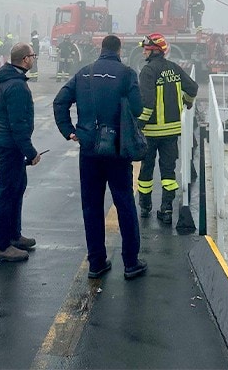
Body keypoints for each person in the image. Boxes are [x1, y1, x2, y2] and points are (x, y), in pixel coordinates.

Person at [53, 35, 147, 280]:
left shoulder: (84, 73)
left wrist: (69, 130)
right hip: (117, 149)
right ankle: (130, 263)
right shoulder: (127, 73)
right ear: (119, 50)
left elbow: (60, 102)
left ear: (100, 49)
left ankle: (96, 263)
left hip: (89, 149)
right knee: (125, 204)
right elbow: (138, 108)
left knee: (92, 206)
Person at [136, 33, 199, 224]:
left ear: (154, 50)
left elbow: (147, 104)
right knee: (168, 172)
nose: (143, 51)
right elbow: (193, 88)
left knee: (146, 171)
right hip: (172, 132)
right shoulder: (174, 68)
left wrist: (138, 126)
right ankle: (167, 209)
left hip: (151, 132)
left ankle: (145, 207)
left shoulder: (147, 72)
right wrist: (187, 103)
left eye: (146, 48)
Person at [0, 42, 42, 263]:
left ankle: (14, 235)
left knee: (17, 188)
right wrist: (31, 153)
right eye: (33, 55)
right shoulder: (17, 86)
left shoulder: (9, 80)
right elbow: (18, 124)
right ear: (25, 59)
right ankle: (2, 246)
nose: (34, 58)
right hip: (10, 144)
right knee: (7, 193)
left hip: (6, 142)